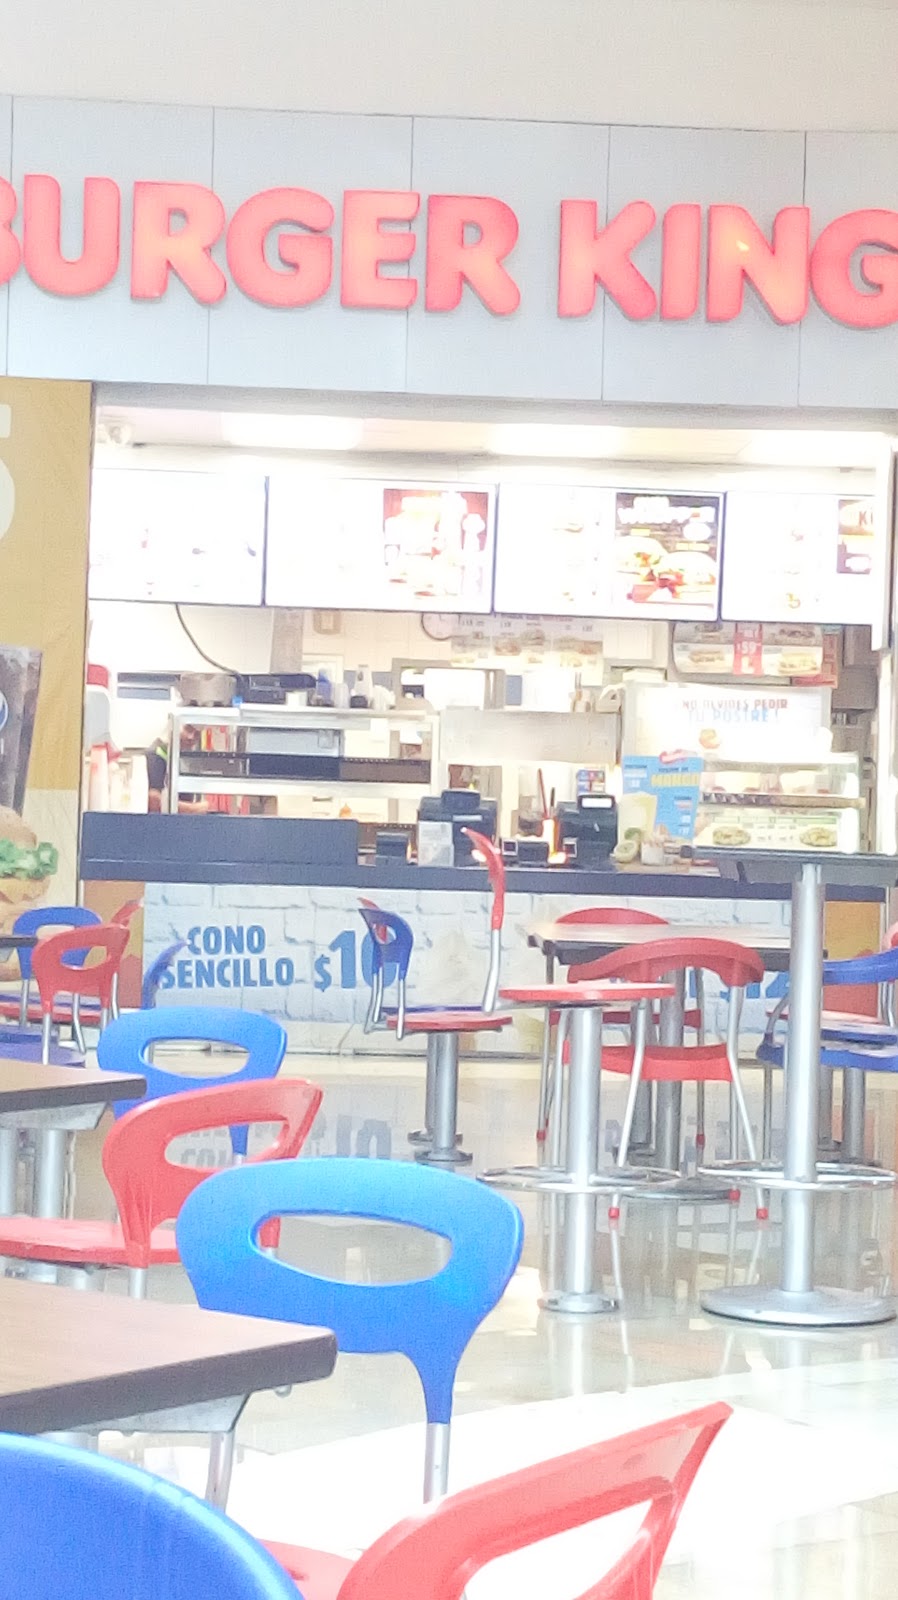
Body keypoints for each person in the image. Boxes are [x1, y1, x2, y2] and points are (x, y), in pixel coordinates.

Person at [146, 724, 209, 814]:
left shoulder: (183, 756)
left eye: (197, 734)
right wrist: (192, 809)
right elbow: (153, 800)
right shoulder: (156, 754)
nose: (191, 737)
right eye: (188, 729)